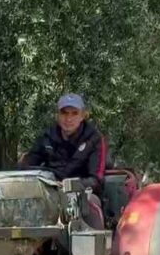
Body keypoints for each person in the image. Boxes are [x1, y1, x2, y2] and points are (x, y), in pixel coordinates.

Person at [18, 92, 108, 228]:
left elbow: (96, 180)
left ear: (83, 115)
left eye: (74, 113)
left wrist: (68, 185)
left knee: (89, 206)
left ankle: (91, 247)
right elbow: (28, 164)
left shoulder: (94, 139)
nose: (69, 119)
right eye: (64, 113)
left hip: (81, 194)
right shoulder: (47, 136)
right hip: (48, 192)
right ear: (58, 115)